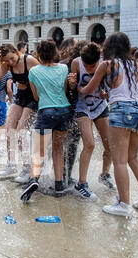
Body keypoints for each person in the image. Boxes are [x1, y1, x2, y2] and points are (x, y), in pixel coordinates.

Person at [78, 32, 138, 217]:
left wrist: (77, 87)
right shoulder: (134, 64)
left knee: (119, 160)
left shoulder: (107, 64)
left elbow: (90, 88)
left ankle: (124, 203)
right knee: (133, 158)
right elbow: (130, 89)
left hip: (122, 110)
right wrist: (110, 94)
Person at [20, 40, 73, 203]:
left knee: (39, 151)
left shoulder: (34, 71)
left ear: (40, 54)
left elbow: (36, 97)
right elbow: (65, 90)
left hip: (46, 111)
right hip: (65, 110)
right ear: (55, 53)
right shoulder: (64, 68)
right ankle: (59, 184)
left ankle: (33, 179)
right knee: (58, 149)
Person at [69, 42, 115, 201]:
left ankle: (104, 174)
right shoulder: (76, 63)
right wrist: (72, 83)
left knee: (110, 144)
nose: (88, 69)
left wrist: (106, 93)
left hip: (100, 106)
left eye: (92, 66)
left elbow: (112, 86)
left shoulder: (105, 63)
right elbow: (72, 88)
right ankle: (81, 183)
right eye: (86, 65)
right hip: (82, 107)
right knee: (89, 144)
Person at [0, 44, 40, 183]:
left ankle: (26, 168)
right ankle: (11, 165)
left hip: (33, 98)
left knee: (20, 132)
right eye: (7, 60)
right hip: (20, 97)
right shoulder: (7, 65)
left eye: (12, 58)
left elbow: (43, 77)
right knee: (9, 130)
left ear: (15, 51)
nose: (10, 62)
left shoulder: (29, 60)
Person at [59, 38, 82, 186]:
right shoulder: (66, 65)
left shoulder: (72, 64)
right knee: (70, 143)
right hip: (72, 108)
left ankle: (62, 175)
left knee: (65, 144)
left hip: (66, 107)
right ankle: (64, 175)